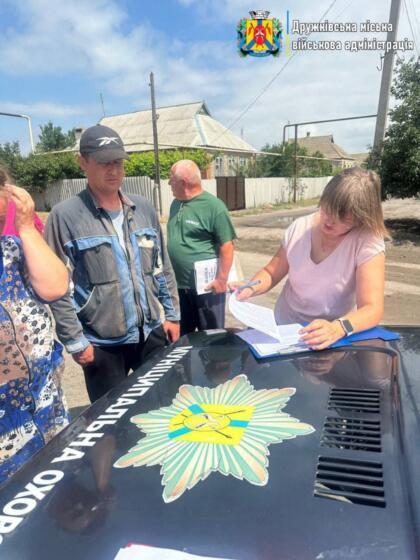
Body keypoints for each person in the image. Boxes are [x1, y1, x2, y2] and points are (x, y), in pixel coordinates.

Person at [45, 125, 180, 403]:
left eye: (118, 162)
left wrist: (172, 314)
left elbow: (161, 266)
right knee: (110, 426)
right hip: (102, 344)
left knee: (160, 407)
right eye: (104, 163)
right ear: (82, 162)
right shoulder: (65, 216)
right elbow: (56, 285)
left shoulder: (142, 208)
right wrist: (75, 339)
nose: (114, 171)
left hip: (151, 334)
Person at [235, 167, 386, 350]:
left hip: (330, 338)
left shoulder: (367, 241)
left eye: (342, 218)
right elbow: (271, 272)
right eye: (326, 210)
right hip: (285, 331)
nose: (329, 221)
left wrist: (338, 328)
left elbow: (371, 308)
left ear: (361, 219)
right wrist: (250, 288)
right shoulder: (300, 228)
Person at [0, 166, 70, 484]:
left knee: (49, 488)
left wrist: (26, 228)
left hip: (45, 405)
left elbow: (55, 286)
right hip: (6, 432)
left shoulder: (14, 246)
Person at [167, 160, 237, 335]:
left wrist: (222, 280)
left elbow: (227, 245)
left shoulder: (214, 207)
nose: (168, 184)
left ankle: (214, 364)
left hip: (207, 288)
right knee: (184, 340)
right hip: (179, 287)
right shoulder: (176, 204)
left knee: (211, 338)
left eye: (171, 180)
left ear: (183, 183)